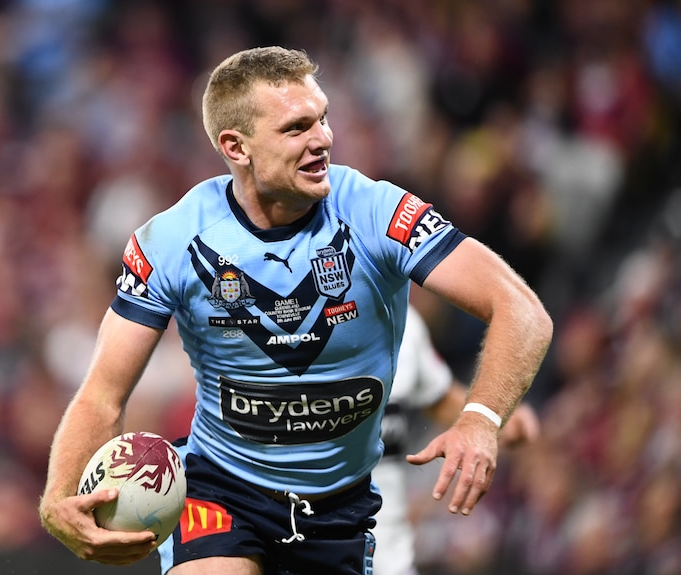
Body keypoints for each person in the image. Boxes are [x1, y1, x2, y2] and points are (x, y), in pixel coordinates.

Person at [38, 46, 553, 575]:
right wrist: (57, 499)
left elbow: (522, 310)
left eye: (324, 118)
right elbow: (102, 393)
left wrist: (481, 419)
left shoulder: (378, 213)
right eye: (296, 128)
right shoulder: (171, 240)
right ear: (236, 147)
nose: (323, 139)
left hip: (341, 511)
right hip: (222, 491)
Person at [374, 303, 541, 575]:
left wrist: (495, 419)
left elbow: (439, 397)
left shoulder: (404, 324)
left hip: (390, 558)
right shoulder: (288, 331)